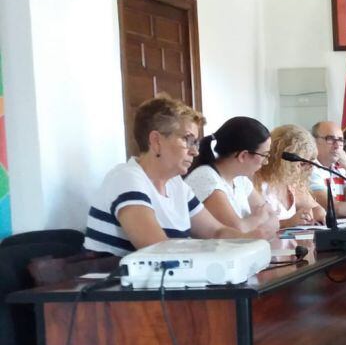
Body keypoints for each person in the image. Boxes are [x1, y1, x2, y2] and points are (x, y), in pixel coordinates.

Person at [84, 95, 277, 256]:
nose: (195, 151)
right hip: (114, 296)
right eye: (188, 140)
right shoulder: (127, 178)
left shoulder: (176, 185)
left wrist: (252, 238)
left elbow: (216, 232)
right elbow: (157, 249)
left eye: (196, 143)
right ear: (156, 141)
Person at [186, 116, 278, 231]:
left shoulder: (240, 180)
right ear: (243, 156)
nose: (266, 162)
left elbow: (274, 221)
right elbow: (237, 231)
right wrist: (259, 218)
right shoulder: (205, 177)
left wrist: (251, 223)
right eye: (264, 155)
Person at [254, 125, 326, 228]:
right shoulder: (256, 182)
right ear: (281, 160)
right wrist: (288, 223)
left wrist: (316, 213)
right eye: (302, 163)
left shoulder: (292, 181)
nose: (308, 168)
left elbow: (317, 210)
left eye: (310, 162)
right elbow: (255, 228)